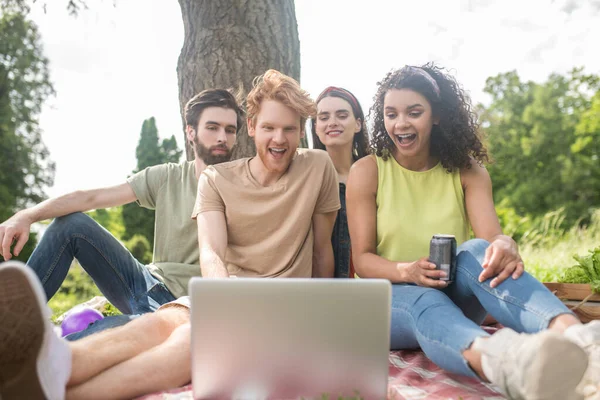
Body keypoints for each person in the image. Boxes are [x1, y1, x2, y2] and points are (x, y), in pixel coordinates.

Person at [0, 69, 340, 400]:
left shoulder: (316, 167)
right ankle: (40, 353)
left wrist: (321, 315)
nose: (278, 138)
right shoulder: (200, 179)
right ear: (252, 127)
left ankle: (45, 384)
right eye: (268, 127)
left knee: (186, 342)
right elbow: (211, 252)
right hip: (203, 297)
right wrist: (29, 214)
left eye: (289, 129)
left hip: (266, 308)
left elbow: (322, 250)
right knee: (160, 325)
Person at [346, 64, 599, 400]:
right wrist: (407, 271)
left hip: (455, 296)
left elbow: (491, 240)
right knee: (425, 297)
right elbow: (362, 260)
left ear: (436, 116)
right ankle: (512, 364)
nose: (401, 123)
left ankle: (583, 344)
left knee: (478, 250)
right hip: (391, 304)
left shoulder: (467, 170)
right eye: (391, 114)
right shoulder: (368, 171)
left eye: (414, 112)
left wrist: (505, 244)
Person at [0, 89, 244, 338]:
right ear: (191, 132)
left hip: (176, 310)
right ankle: (8, 323)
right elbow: (91, 198)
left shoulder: (245, 188)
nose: (222, 137)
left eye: (230, 130)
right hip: (141, 280)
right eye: (212, 127)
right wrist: (27, 215)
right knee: (71, 225)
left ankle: (33, 354)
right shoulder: (168, 176)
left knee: (81, 343)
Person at [311, 86, 369, 278]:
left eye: (342, 115)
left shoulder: (376, 174)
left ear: (358, 124)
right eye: (324, 117)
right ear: (315, 127)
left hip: (369, 285)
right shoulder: (305, 177)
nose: (332, 123)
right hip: (316, 287)